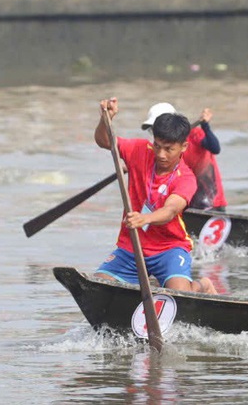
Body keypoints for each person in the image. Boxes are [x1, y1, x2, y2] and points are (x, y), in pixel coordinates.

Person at [94, 98, 216, 293]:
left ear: (183, 147)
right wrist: (105, 119)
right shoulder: (140, 150)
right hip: (132, 243)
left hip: (169, 247)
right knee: (99, 286)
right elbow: (104, 141)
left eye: (169, 149)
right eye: (158, 146)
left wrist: (145, 218)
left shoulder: (186, 178)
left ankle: (203, 286)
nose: (161, 154)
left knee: (181, 295)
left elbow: (170, 210)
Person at [142, 102, 226, 211]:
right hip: (186, 199)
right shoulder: (160, 149)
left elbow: (215, 148)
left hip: (209, 197)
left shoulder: (194, 135)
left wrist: (206, 126)